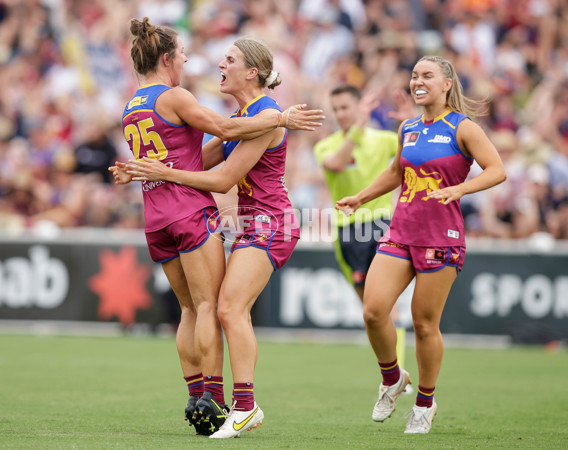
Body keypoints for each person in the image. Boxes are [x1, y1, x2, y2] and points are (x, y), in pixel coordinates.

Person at [109, 18, 323, 437]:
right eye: (189, 54)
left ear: (252, 72)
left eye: (229, 60)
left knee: (218, 308)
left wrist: (155, 172)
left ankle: (231, 403)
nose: (214, 64)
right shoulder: (243, 114)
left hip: (268, 222)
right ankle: (216, 400)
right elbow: (202, 159)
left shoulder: (258, 113)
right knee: (212, 307)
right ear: (168, 58)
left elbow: (220, 176)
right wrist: (148, 169)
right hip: (229, 220)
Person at [336, 55, 506, 434]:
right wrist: (361, 197)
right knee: (373, 311)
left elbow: (497, 170)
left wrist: (462, 188)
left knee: (424, 325)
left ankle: (425, 404)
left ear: (447, 83)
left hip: (441, 237)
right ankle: (393, 378)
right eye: (414, 75)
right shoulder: (408, 127)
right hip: (401, 231)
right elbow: (397, 172)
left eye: (427, 75)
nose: (418, 81)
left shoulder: (463, 128)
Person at [313, 84, 413, 396]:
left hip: (382, 225)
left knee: (387, 306)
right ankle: (394, 373)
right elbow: (336, 164)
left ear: (359, 107)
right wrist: (357, 129)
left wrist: (410, 126)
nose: (341, 114)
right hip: (349, 232)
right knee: (371, 311)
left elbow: (409, 159)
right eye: (337, 108)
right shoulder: (327, 146)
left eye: (346, 107)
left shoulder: (383, 140)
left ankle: (398, 378)